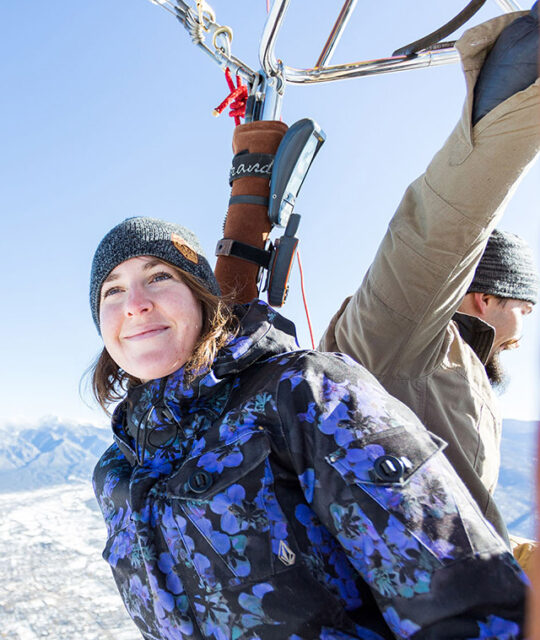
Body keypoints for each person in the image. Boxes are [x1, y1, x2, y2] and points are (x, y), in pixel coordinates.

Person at [90, 217, 528, 640]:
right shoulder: (118, 469)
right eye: (113, 290)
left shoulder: (303, 391)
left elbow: (466, 596)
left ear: (202, 296)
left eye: (159, 276)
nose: (135, 304)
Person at [212, 8, 540, 545]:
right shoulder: (401, 338)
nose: (526, 326)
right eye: (525, 306)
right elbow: (441, 226)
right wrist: (521, 88)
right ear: (483, 297)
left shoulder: (455, 366)